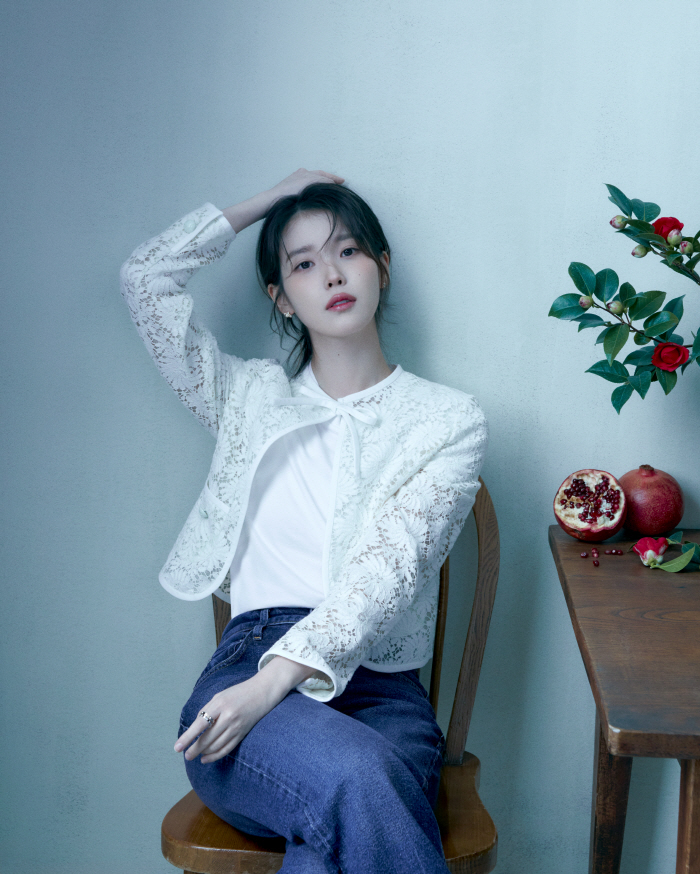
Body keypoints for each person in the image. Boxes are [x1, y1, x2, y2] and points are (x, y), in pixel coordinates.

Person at [120, 169, 488, 873]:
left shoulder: (447, 420)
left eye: (348, 251)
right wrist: (270, 201)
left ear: (382, 266)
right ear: (281, 298)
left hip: (381, 690)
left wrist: (270, 687)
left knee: (334, 830)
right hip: (247, 663)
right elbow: (146, 280)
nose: (332, 274)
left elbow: (391, 570)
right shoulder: (245, 398)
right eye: (304, 263)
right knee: (363, 781)